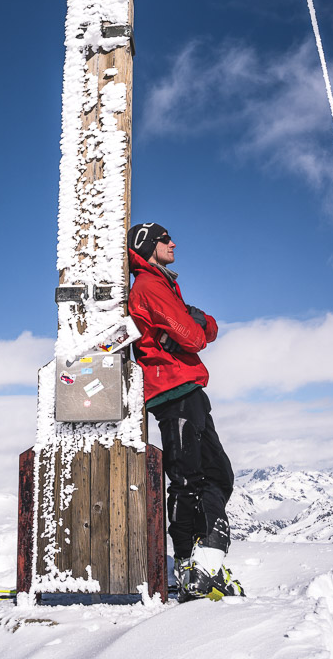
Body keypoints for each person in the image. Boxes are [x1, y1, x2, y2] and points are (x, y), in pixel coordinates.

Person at [127, 222, 243, 601]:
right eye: (165, 239)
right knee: (187, 478)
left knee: (218, 474)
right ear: (148, 246)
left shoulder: (160, 284)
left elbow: (203, 329)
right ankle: (189, 565)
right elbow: (196, 336)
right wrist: (195, 321)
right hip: (171, 390)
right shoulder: (149, 287)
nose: (173, 243)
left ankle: (203, 558)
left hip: (186, 387)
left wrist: (197, 322)